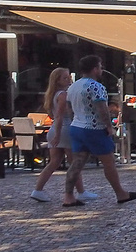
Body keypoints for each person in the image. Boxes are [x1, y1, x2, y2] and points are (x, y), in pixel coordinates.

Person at [60, 55, 136, 207]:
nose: (101, 69)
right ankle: (120, 193)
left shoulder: (73, 87)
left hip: (77, 126)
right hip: (94, 128)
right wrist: (109, 126)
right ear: (95, 69)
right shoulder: (96, 86)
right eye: (100, 66)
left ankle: (68, 196)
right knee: (108, 162)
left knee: (77, 163)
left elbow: (69, 109)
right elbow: (102, 108)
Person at [28, 67, 93, 204]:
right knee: (74, 162)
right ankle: (81, 192)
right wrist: (57, 134)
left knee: (54, 162)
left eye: (69, 76)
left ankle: (38, 190)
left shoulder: (53, 95)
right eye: (65, 77)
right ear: (58, 81)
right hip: (64, 130)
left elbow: (54, 116)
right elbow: (59, 116)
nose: (69, 79)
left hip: (56, 129)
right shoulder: (63, 95)